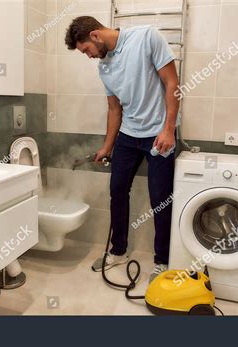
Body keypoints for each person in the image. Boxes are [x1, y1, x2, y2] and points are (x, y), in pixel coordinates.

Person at [64, 16, 179, 282]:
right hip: (129, 134)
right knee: (117, 191)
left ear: (95, 36)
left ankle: (162, 261)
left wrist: (169, 130)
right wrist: (107, 146)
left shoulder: (146, 37)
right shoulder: (104, 67)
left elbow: (173, 84)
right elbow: (115, 109)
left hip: (159, 133)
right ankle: (119, 251)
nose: (89, 56)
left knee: (160, 199)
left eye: (86, 51)